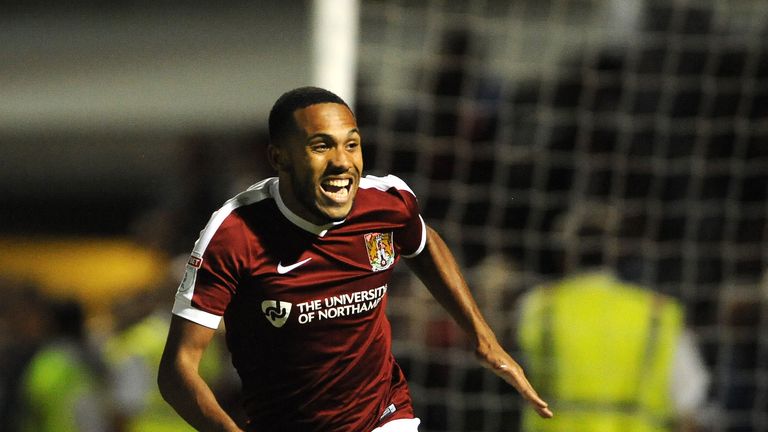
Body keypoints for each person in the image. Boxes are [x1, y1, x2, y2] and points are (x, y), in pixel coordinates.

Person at [157, 86, 552, 431]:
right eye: (321, 145)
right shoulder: (234, 233)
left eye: (352, 143)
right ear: (279, 158)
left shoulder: (385, 203)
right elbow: (178, 370)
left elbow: (424, 241)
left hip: (383, 415)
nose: (343, 162)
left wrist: (483, 337)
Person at [515, 205, 710, 432]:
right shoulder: (657, 312)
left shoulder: (539, 305)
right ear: (617, 252)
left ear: (563, 253)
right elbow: (689, 401)